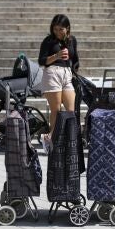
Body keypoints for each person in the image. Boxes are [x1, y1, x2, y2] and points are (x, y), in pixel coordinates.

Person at [38, 14, 79, 152]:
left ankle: (60, 138)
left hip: (67, 74)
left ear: (67, 28)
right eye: (55, 29)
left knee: (70, 111)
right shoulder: (48, 41)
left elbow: (76, 59)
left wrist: (74, 70)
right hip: (52, 73)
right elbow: (41, 61)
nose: (58, 32)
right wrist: (57, 56)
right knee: (56, 111)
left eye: (61, 29)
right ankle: (51, 140)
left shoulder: (72, 41)